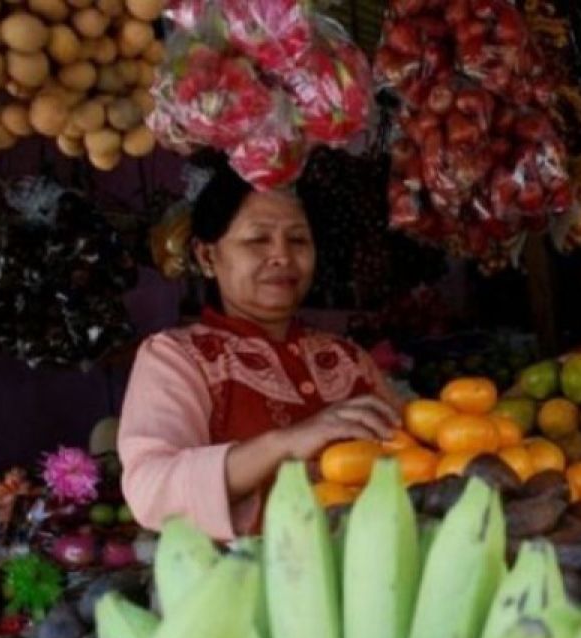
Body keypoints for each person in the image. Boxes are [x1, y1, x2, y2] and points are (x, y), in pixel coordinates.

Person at [118, 165, 401, 541]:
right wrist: (285, 443)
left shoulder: (346, 357)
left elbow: (411, 450)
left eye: (298, 240)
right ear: (206, 256)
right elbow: (150, 492)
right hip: (248, 586)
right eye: (257, 240)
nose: (282, 256)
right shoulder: (177, 358)